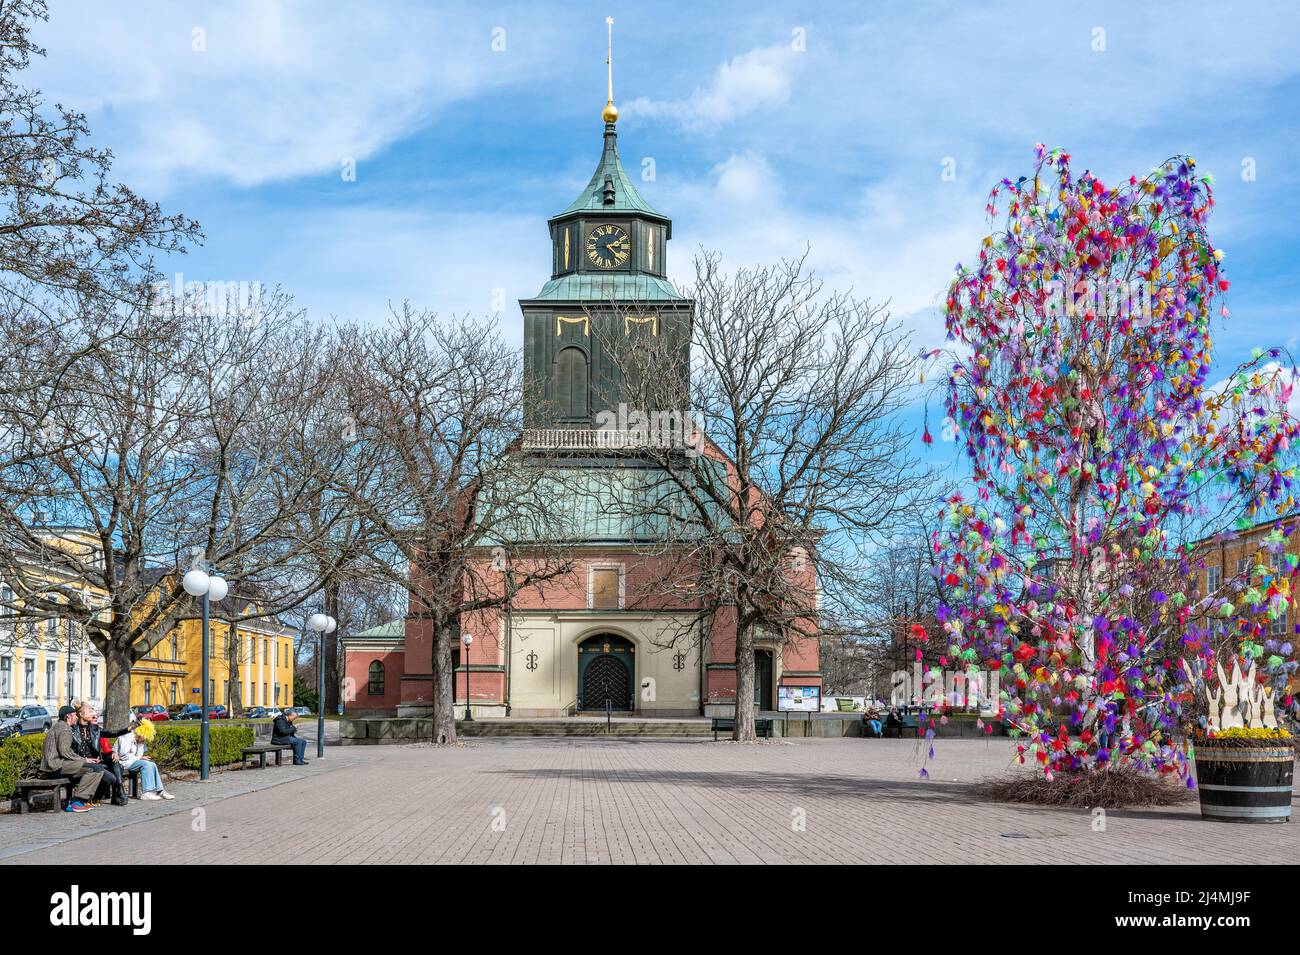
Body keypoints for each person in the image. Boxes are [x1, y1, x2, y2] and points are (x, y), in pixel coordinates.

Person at [39, 705, 109, 812]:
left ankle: (80, 800)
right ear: (68, 717)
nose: (77, 717)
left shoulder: (59, 726)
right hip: (55, 767)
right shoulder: (65, 729)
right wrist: (85, 760)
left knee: (94, 768)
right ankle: (77, 801)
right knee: (96, 769)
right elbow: (65, 751)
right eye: (75, 715)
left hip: (53, 766)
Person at [71, 702, 128, 806]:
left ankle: (95, 797)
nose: (94, 714)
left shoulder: (95, 729)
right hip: (80, 763)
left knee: (112, 774)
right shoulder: (72, 730)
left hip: (94, 763)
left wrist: (128, 729)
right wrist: (84, 760)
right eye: (90, 711)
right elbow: (68, 751)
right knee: (108, 773)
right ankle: (85, 799)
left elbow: (112, 733)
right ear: (81, 714)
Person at [114, 712, 174, 800]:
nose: (144, 739)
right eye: (144, 737)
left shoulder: (139, 738)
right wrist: (139, 758)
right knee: (146, 765)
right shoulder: (127, 737)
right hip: (122, 762)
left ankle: (160, 791)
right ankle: (146, 792)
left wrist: (140, 756)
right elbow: (123, 756)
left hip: (131, 761)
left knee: (152, 764)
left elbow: (138, 754)